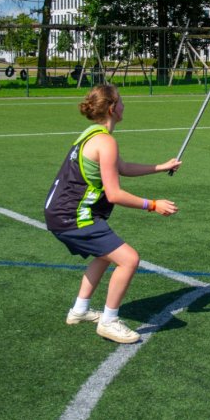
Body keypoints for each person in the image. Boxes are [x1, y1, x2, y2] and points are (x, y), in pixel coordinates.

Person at [44, 84, 181, 344]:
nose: (124, 106)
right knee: (129, 259)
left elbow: (123, 167)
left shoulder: (91, 134)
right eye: (121, 102)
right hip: (72, 216)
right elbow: (115, 194)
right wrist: (153, 204)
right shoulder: (105, 142)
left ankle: (80, 311)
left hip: (61, 212)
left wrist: (161, 166)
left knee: (105, 255)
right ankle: (109, 321)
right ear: (112, 108)